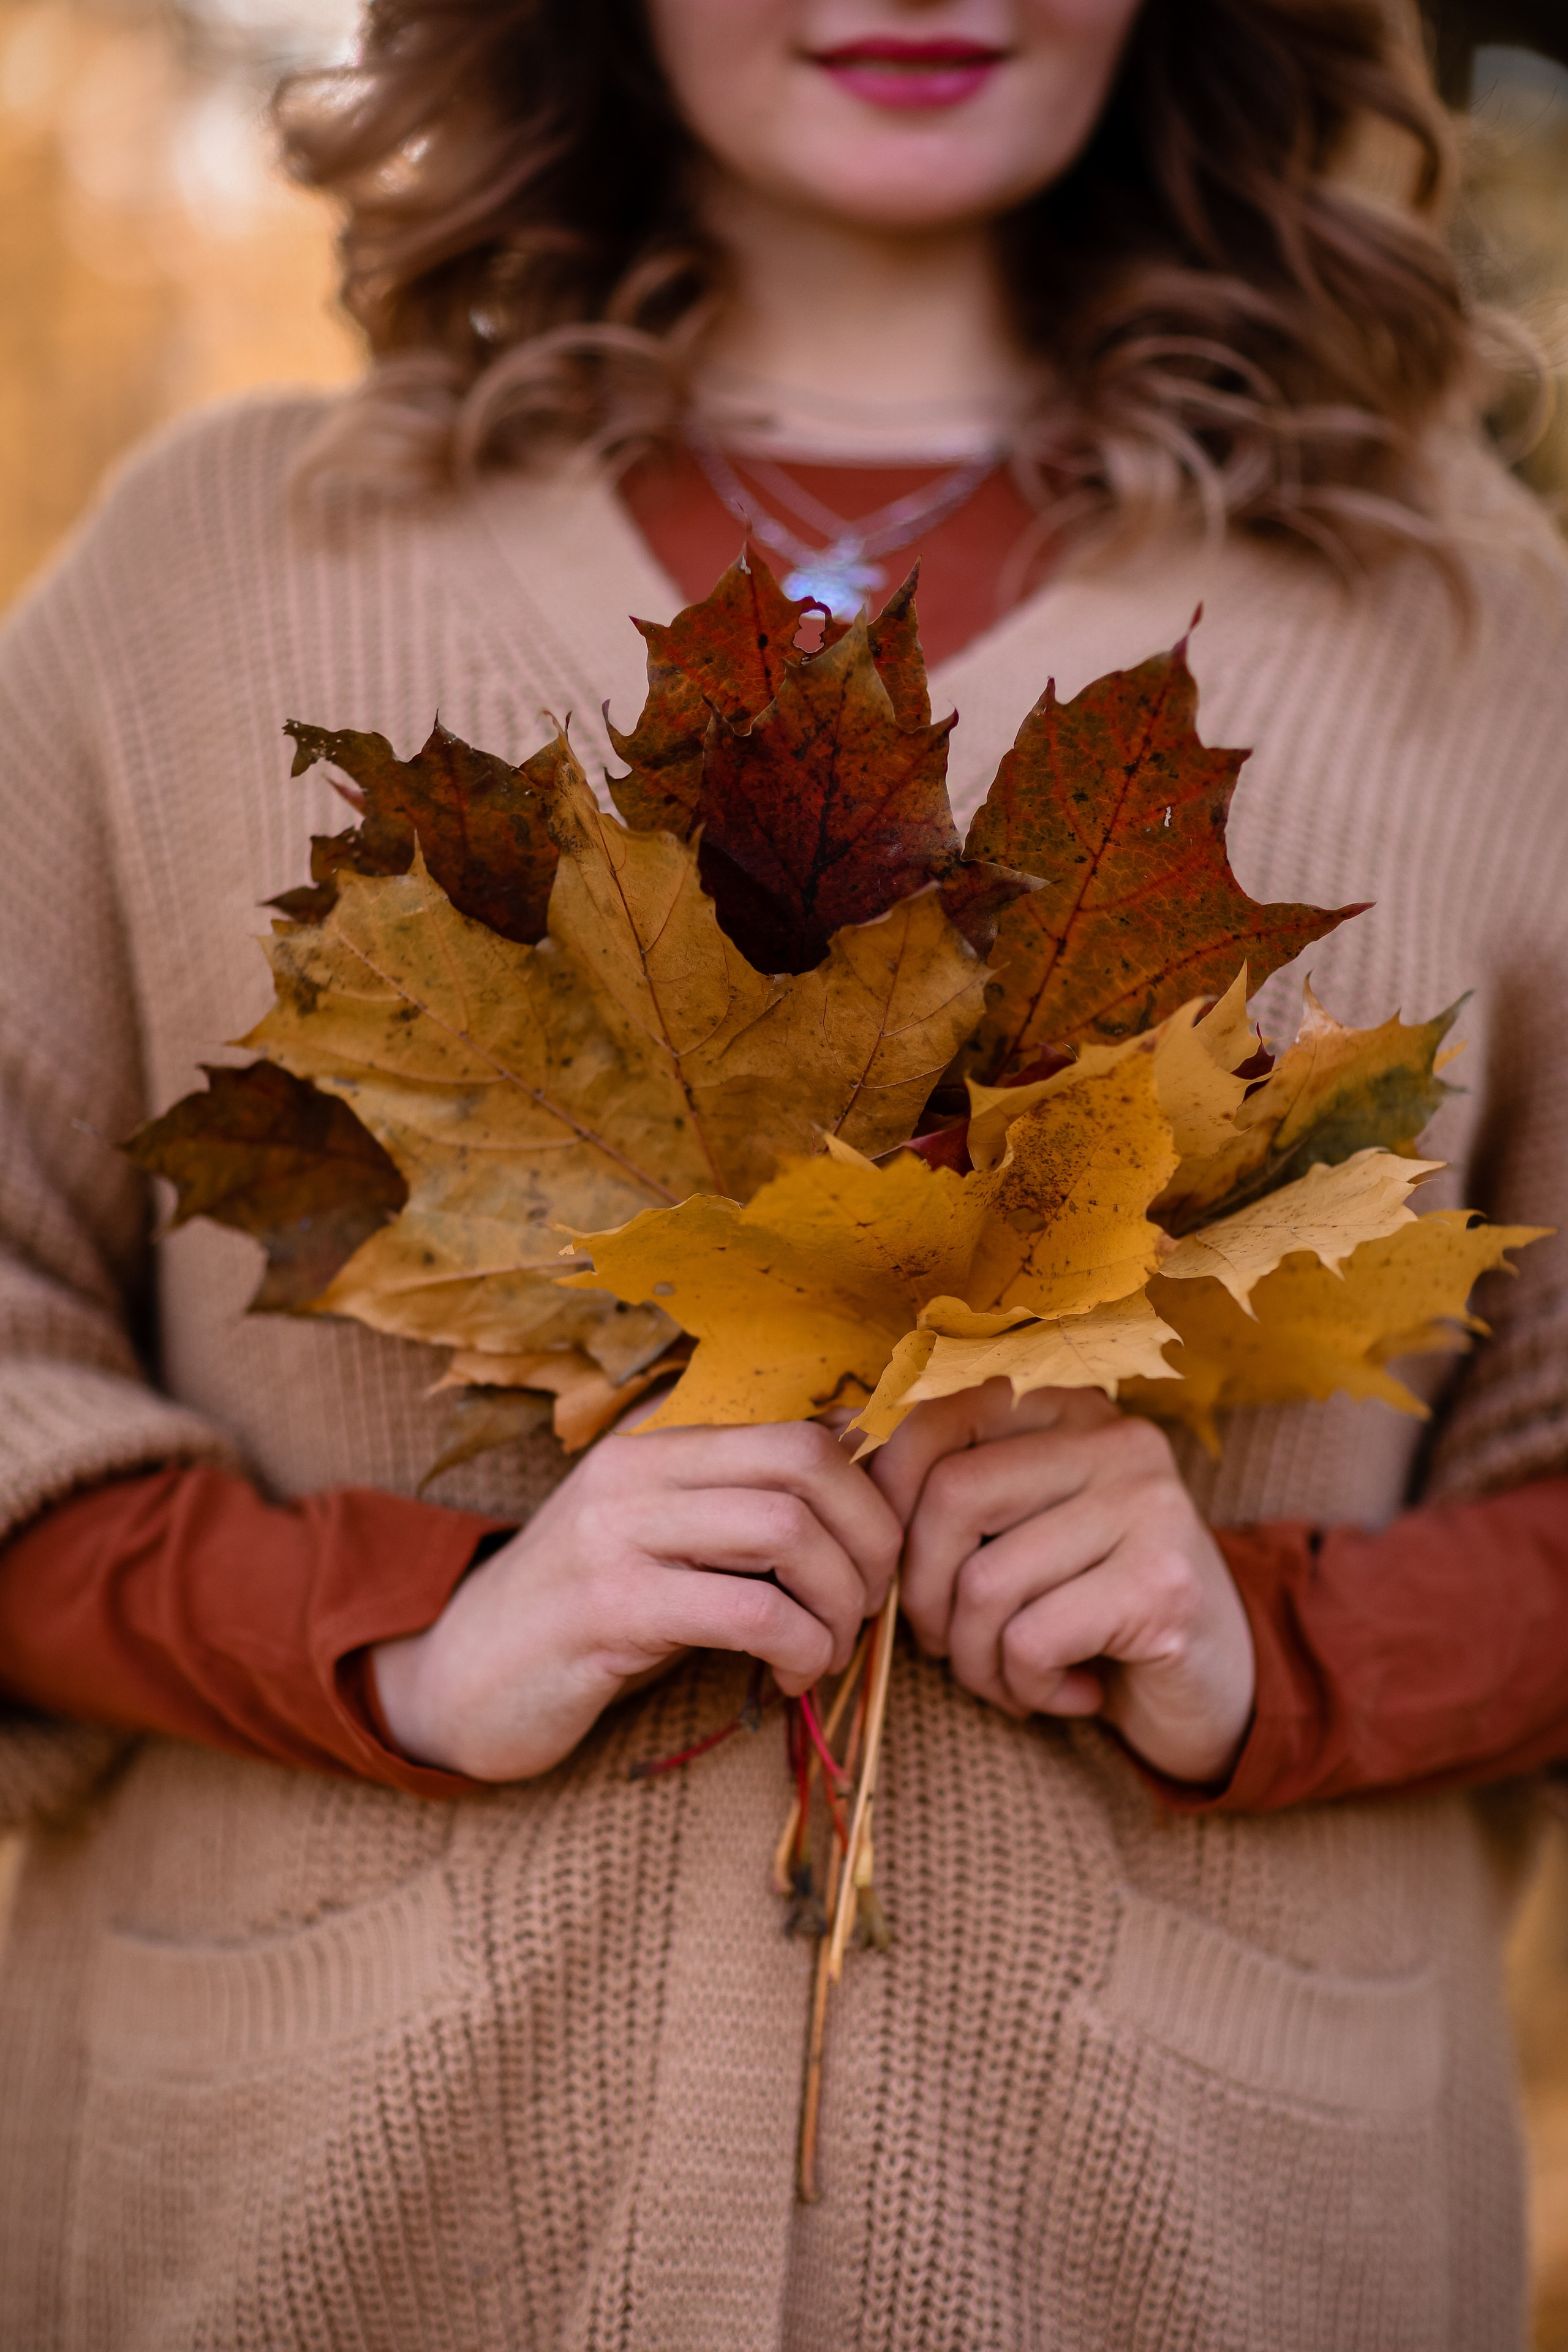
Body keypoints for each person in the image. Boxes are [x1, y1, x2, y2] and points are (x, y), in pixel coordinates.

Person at [1, 3, 1566, 2345]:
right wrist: (404, 1638)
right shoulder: (210, 575)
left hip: (1196, 2243)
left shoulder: (1477, 626)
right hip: (319, 2220)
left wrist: (1276, 1653)